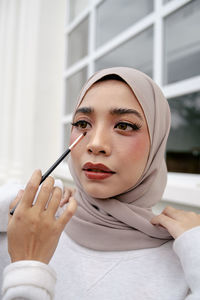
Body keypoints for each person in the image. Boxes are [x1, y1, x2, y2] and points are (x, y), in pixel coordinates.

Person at [1, 67, 200, 299]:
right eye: (83, 124)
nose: (95, 144)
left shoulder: (186, 263)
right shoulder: (21, 227)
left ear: (157, 141)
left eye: (124, 126)